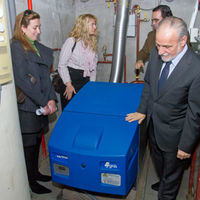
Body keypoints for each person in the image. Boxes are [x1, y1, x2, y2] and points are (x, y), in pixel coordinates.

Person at [126, 16, 200, 199]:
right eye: (158, 45)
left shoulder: (196, 68)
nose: (160, 51)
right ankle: (164, 181)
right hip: (154, 129)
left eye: (167, 46)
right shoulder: (156, 52)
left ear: (183, 41)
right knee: (162, 170)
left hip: (176, 137)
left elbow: (195, 113)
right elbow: (149, 84)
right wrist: (142, 110)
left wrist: (186, 145)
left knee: (170, 182)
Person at [11, 10, 57, 194]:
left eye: (39, 27)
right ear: (22, 28)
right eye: (34, 27)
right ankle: (31, 181)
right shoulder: (16, 47)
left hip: (42, 102)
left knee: (38, 139)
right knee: (29, 144)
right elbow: (22, 80)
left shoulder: (37, 47)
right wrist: (44, 101)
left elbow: (46, 76)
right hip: (29, 106)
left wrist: (52, 98)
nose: (38, 31)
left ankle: (36, 172)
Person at [58, 14, 98, 111]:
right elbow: (61, 65)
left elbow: (93, 68)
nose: (95, 27)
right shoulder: (71, 41)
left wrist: (92, 85)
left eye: (95, 24)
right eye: (92, 24)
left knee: (85, 110)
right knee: (70, 111)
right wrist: (68, 84)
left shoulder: (91, 43)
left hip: (85, 81)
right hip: (71, 80)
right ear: (84, 25)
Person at [135, 5, 173, 70]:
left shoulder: (179, 34)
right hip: (155, 74)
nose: (153, 23)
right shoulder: (151, 36)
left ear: (167, 19)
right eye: (152, 21)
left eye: (156, 20)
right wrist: (140, 60)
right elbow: (144, 52)